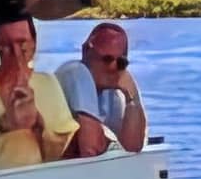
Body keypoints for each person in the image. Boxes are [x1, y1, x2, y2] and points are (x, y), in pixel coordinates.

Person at [0, 11, 106, 170]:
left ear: (34, 45)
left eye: (22, 45)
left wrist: (38, 126)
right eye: (7, 47)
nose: (16, 54)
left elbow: (68, 148)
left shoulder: (47, 83)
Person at [65, 22, 151, 153]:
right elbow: (90, 149)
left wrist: (132, 98)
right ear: (86, 52)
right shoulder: (76, 73)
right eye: (107, 59)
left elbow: (132, 148)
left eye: (121, 62)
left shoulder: (115, 93)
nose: (113, 67)